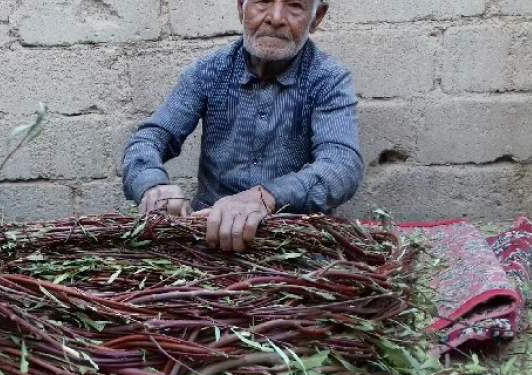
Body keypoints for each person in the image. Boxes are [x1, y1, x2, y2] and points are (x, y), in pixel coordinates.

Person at [122, 0, 363, 252]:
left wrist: (267, 196)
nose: (276, 17)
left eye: (295, 5)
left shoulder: (329, 79)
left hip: (294, 243)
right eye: (262, 2)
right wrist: (153, 186)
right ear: (241, 8)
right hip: (209, 239)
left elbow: (342, 165)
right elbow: (149, 138)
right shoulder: (208, 72)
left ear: (317, 18)